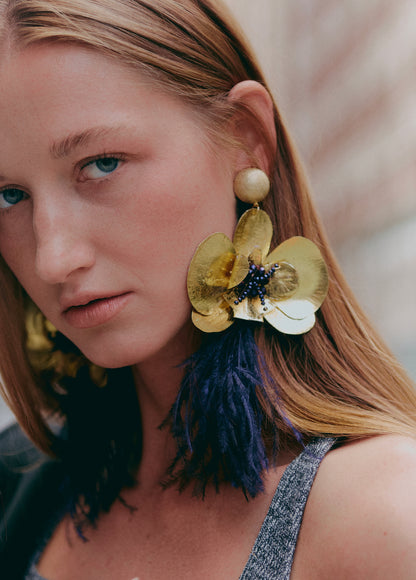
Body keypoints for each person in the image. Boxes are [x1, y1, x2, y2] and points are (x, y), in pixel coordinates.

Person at [0, 0, 415, 578]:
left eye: (102, 164)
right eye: (9, 196)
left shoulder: (385, 516)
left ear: (246, 139)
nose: (53, 258)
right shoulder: (19, 481)